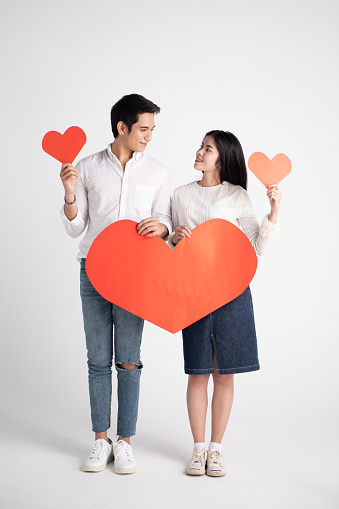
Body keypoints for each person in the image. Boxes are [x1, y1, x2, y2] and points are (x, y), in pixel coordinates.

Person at [59, 94, 171, 474]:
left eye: (152, 129)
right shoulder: (88, 167)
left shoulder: (156, 171)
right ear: (122, 127)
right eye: (144, 128)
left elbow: (166, 222)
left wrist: (164, 227)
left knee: (128, 361)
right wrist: (70, 193)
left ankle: (125, 443)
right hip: (92, 270)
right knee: (96, 361)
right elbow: (76, 226)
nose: (149, 136)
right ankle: (100, 441)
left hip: (134, 275)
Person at [171, 130, 282, 477]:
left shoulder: (237, 196)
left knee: (224, 374)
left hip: (232, 292)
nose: (200, 152)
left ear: (222, 158)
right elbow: (173, 249)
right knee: (197, 372)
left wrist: (274, 212)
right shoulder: (180, 194)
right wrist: (175, 237)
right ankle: (198, 449)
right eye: (201, 147)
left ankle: (216, 450)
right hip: (194, 292)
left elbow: (256, 248)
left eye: (207, 149)